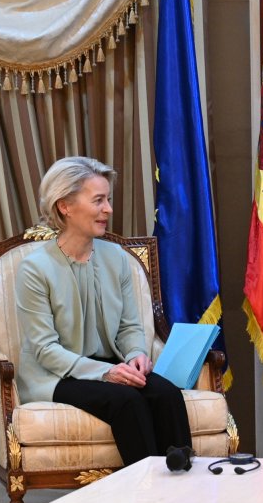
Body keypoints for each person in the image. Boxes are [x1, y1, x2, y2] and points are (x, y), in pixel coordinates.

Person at [15, 157, 192, 466]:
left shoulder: (116, 258)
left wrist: (136, 354)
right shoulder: (34, 269)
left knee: (167, 395)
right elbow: (45, 350)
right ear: (64, 206)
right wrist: (106, 373)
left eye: (107, 199)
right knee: (126, 402)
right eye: (98, 200)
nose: (108, 209)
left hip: (109, 364)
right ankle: (148, 496)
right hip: (57, 374)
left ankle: (186, 485)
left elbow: (129, 326)